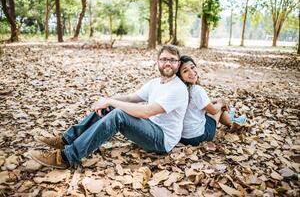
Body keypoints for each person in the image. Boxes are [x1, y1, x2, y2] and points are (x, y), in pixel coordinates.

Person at [30, 45, 189, 169]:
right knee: (111, 108)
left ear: (178, 63)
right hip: (150, 128)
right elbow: (131, 98)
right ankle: (66, 140)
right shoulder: (155, 82)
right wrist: (106, 100)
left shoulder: (177, 88)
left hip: (162, 140)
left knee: (118, 114)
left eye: (172, 60)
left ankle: (66, 158)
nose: (168, 63)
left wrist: (112, 102)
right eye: (164, 59)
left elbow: (146, 112)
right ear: (158, 62)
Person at [176, 55, 247, 146]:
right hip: (198, 137)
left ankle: (230, 117)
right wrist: (221, 102)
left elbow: (199, 105)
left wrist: (214, 102)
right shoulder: (196, 89)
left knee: (213, 104)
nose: (191, 72)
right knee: (219, 107)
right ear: (181, 77)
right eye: (185, 71)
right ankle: (232, 123)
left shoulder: (181, 90)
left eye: (192, 67)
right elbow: (213, 111)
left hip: (184, 137)